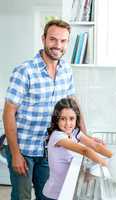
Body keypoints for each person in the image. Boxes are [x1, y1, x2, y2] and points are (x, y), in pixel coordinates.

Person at [2, 19, 87, 200]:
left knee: (48, 195)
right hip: (23, 148)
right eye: (53, 39)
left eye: (63, 41)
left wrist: (85, 140)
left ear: (67, 43)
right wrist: (16, 154)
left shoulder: (66, 70)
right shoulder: (25, 71)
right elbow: (8, 112)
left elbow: (74, 106)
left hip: (50, 148)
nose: (58, 45)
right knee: (22, 197)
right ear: (44, 39)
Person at [42, 98, 112, 200]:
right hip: (54, 195)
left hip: (66, 191)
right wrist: (107, 164)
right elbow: (85, 150)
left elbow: (95, 145)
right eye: (63, 119)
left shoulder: (75, 132)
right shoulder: (57, 137)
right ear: (56, 119)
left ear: (76, 119)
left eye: (71, 119)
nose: (67, 123)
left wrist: (114, 158)